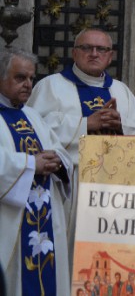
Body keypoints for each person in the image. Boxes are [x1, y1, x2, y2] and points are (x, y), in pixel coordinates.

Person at [27, 28, 135, 169]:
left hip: (115, 174)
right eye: (86, 48)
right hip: (72, 177)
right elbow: (34, 129)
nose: (94, 54)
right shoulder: (51, 85)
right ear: (74, 54)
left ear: (110, 56)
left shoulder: (120, 90)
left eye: (101, 49)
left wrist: (121, 124)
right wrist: (85, 124)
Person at [0, 49, 72, 295]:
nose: (28, 85)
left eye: (31, 78)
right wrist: (31, 164)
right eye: (20, 78)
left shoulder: (32, 115)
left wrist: (58, 162)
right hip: (10, 219)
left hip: (46, 216)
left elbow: (60, 150)